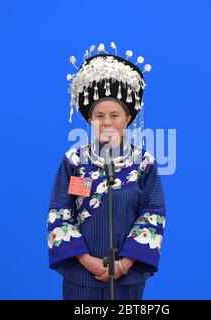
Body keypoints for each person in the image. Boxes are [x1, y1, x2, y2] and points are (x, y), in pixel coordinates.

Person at [47, 42, 166, 300]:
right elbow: (60, 212)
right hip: (81, 275)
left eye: (115, 114)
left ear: (129, 119)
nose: (107, 122)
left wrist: (124, 263)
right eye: (99, 115)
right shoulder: (74, 162)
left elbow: (152, 214)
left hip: (127, 277)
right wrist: (85, 259)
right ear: (89, 119)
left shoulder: (144, 163)